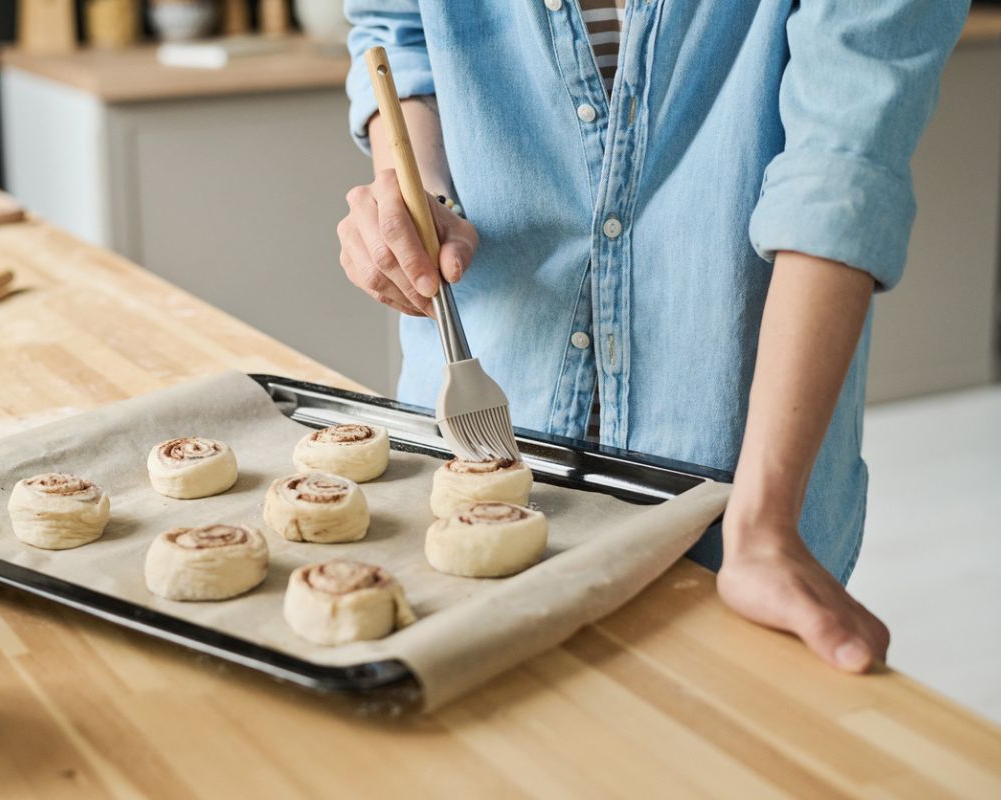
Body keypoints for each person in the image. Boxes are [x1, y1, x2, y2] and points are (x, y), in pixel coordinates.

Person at [336, 1, 970, 672]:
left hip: (736, 484)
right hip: (468, 442)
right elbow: (399, 34)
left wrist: (762, 528)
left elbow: (840, 173)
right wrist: (419, 193)